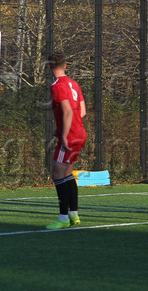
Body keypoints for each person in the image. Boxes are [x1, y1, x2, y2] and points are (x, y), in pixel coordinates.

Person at [46, 53, 87, 230]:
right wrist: (62, 128)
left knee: (57, 173)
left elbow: (68, 111)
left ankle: (63, 217)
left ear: (49, 67)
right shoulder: (74, 84)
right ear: (66, 65)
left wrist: (64, 134)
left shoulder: (57, 86)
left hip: (70, 134)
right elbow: (82, 112)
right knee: (68, 172)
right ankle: (73, 215)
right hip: (80, 132)